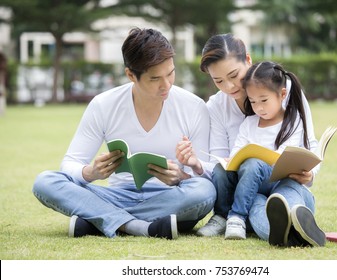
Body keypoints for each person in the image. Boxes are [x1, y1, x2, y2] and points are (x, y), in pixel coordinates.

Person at [32, 27, 216, 240]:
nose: (166, 85)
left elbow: (202, 175)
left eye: (170, 73)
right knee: (45, 182)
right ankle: (141, 227)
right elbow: (70, 163)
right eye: (155, 79)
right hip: (116, 196)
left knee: (205, 191)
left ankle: (100, 220)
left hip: (171, 196)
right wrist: (91, 173)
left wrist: (179, 177)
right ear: (131, 75)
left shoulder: (193, 106)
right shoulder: (104, 105)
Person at [178, 34, 324, 246]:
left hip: (287, 183)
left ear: (248, 59)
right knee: (254, 205)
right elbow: (223, 163)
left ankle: (298, 219)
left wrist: (310, 173)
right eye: (218, 81)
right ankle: (287, 235)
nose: (229, 87)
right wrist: (197, 165)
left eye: (234, 75)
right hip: (248, 191)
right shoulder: (217, 107)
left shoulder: (284, 87)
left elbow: (309, 140)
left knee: (285, 197)